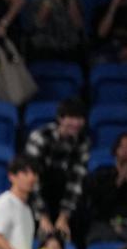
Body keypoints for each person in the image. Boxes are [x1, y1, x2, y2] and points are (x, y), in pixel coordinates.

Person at [24, 97, 90, 241]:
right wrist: (42, 216)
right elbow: (31, 180)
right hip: (37, 196)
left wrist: (64, 217)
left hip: (63, 198)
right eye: (71, 118)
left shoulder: (83, 143)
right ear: (60, 118)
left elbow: (76, 183)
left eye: (80, 118)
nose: (76, 123)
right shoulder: (40, 138)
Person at [84, 132, 127, 247]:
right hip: (104, 224)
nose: (125, 151)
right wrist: (119, 180)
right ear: (115, 151)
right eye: (122, 147)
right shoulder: (102, 174)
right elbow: (99, 206)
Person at [22, 0, 86, 63]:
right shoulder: (37, 0)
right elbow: (38, 24)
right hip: (44, 47)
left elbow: (78, 25)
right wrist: (49, 1)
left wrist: (71, 0)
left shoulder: (73, 0)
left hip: (69, 46)